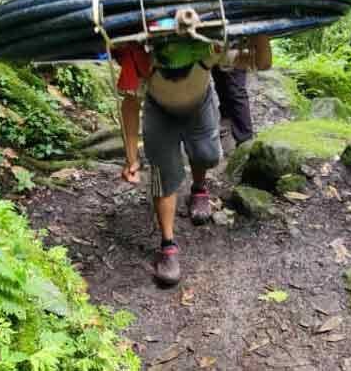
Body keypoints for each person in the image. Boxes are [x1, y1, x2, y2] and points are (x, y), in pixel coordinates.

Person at [115, 33, 272, 286]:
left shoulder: (208, 48)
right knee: (163, 176)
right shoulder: (139, 57)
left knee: (207, 155)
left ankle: (199, 189)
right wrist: (131, 157)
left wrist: (261, 30)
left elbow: (261, 62)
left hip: (200, 107)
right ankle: (168, 246)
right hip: (159, 112)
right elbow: (130, 104)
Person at [165, 0, 255, 148]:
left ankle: (245, 140)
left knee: (235, 87)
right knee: (218, 78)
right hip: (205, 39)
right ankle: (225, 120)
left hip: (229, 37)